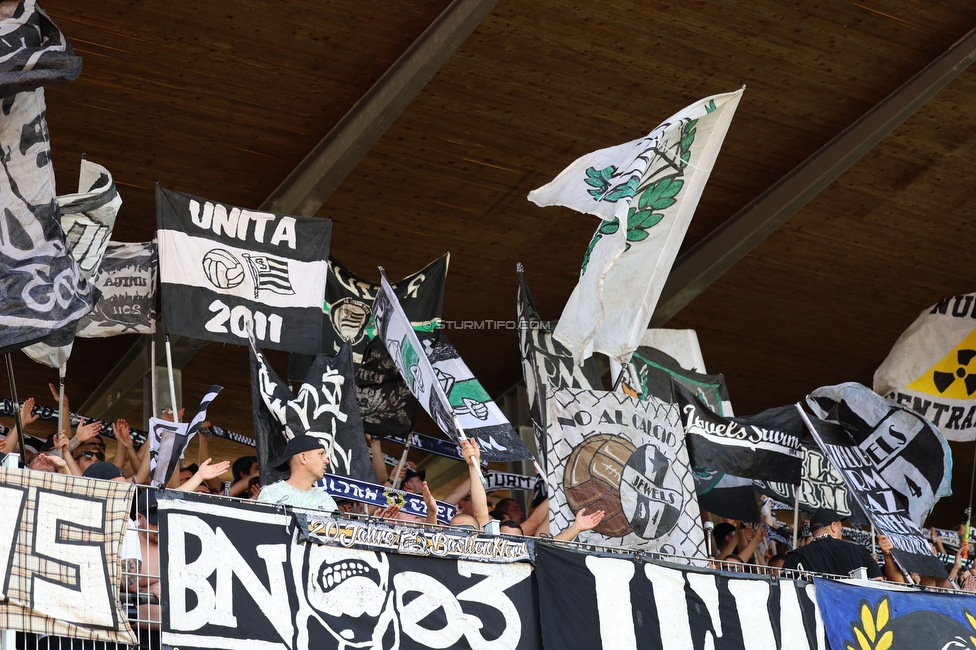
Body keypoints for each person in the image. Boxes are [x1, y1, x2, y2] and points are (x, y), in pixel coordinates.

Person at [781, 508, 882, 579]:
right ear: (834, 526)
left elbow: (786, 590)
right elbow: (879, 583)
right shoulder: (860, 552)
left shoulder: (795, 556)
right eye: (840, 530)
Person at [257, 436, 337, 511]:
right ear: (303, 458)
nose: (326, 461)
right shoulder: (271, 494)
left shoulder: (326, 499)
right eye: (320, 454)